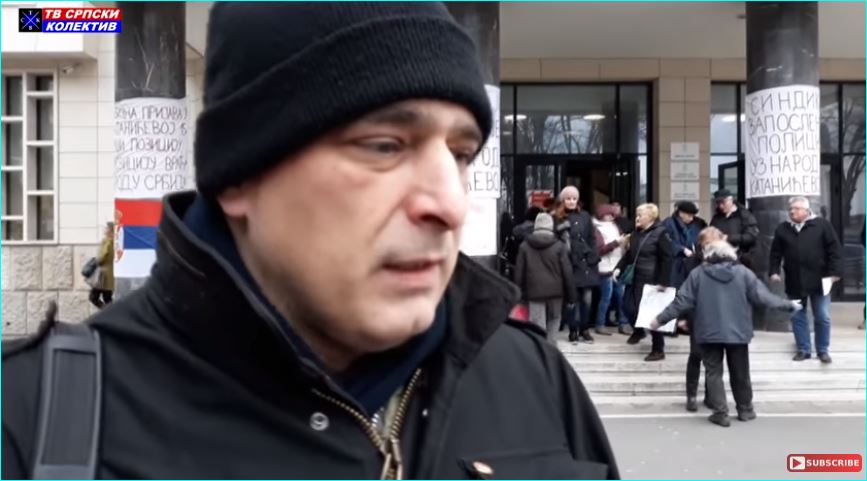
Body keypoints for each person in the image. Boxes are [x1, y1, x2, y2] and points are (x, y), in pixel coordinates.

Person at [1, 4, 619, 479]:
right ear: (239, 174)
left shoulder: (532, 377)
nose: (450, 204)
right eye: (384, 145)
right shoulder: (32, 417)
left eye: (460, 153)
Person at [650, 240, 800, 427]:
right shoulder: (744, 273)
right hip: (738, 332)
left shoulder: (698, 274)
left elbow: (682, 301)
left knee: (713, 373)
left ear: (708, 255)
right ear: (731, 254)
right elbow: (763, 297)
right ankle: (745, 410)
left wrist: (660, 319)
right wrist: (788, 305)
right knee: (740, 372)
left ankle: (720, 413)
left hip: (708, 332)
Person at [769, 197, 842, 363]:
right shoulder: (783, 228)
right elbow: (775, 253)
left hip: (821, 279)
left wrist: (835, 272)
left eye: (796, 208)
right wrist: (774, 271)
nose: (792, 211)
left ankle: (822, 350)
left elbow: (834, 250)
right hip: (795, 279)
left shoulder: (822, 225)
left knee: (822, 316)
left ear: (806, 210)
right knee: (797, 316)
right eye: (790, 209)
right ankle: (804, 349)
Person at [613, 203, 673, 361]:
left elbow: (667, 259)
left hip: (651, 280)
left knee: (651, 314)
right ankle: (639, 330)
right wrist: (618, 268)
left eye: (641, 215)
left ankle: (658, 349)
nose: (637, 218)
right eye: (637, 215)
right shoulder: (635, 234)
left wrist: (663, 282)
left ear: (651, 217)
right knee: (627, 307)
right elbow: (629, 255)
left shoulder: (661, 233)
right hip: (634, 278)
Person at [515, 213, 576, 342]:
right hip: (556, 292)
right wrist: (571, 296)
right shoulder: (559, 246)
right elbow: (567, 272)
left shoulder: (524, 246)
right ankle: (551, 346)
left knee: (537, 324)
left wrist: (518, 294)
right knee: (554, 319)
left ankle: (540, 348)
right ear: (551, 226)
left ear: (535, 226)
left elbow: (519, 272)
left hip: (534, 292)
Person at [556, 185, 600, 344]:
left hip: (586, 264)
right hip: (569, 263)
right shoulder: (557, 218)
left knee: (587, 300)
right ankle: (573, 330)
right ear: (563, 200)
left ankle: (584, 329)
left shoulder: (585, 216)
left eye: (574, 198)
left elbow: (592, 238)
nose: (571, 201)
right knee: (571, 301)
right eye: (568, 198)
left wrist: (593, 256)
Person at [593, 204, 630, 336]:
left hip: (617, 266)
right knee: (606, 298)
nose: (610, 217)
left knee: (621, 298)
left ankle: (623, 323)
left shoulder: (615, 226)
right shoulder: (596, 229)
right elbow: (599, 250)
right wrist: (616, 243)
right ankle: (600, 324)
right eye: (608, 214)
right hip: (604, 267)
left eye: (612, 214)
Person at [710, 189, 759, 268]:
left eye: (723, 202)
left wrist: (729, 238)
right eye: (718, 203)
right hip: (720, 260)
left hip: (741, 260)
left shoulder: (744, 215)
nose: (721, 206)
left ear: (731, 200)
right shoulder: (716, 218)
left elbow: (751, 236)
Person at [87, 222, 115, 309]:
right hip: (109, 277)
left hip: (102, 276)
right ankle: (111, 314)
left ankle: (107, 313)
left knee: (93, 297)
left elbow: (102, 257)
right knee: (108, 299)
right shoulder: (114, 242)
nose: (104, 229)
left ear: (110, 231)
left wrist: (96, 260)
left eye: (106, 228)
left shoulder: (107, 242)